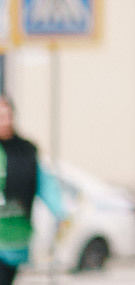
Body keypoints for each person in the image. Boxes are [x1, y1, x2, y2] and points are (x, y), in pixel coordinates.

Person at [0, 94, 65, 285]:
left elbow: (45, 184)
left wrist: (61, 212)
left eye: (7, 116)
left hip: (16, 238)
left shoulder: (26, 150)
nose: (5, 122)